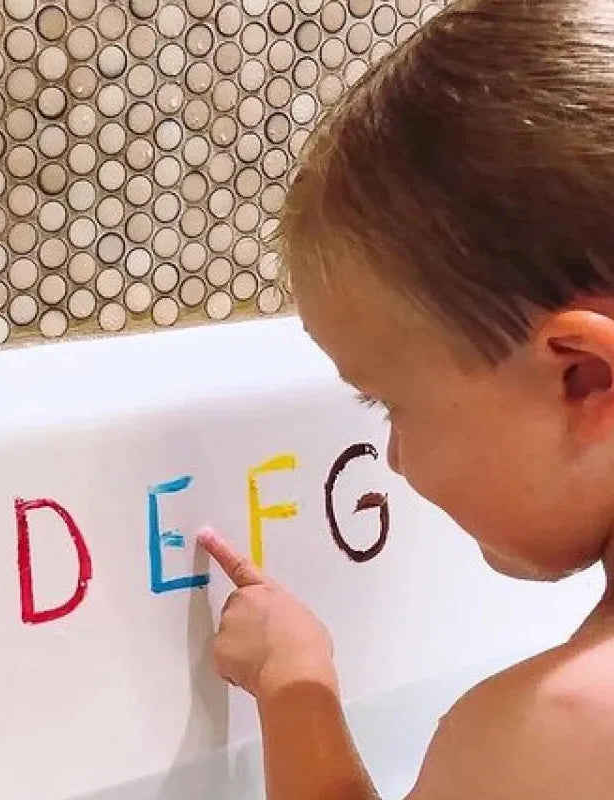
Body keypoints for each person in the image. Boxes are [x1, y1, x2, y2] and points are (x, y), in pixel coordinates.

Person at [198, 0, 614, 796]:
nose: (390, 459)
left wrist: (296, 686)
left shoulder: (553, 737)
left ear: (582, 378)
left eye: (389, 405)